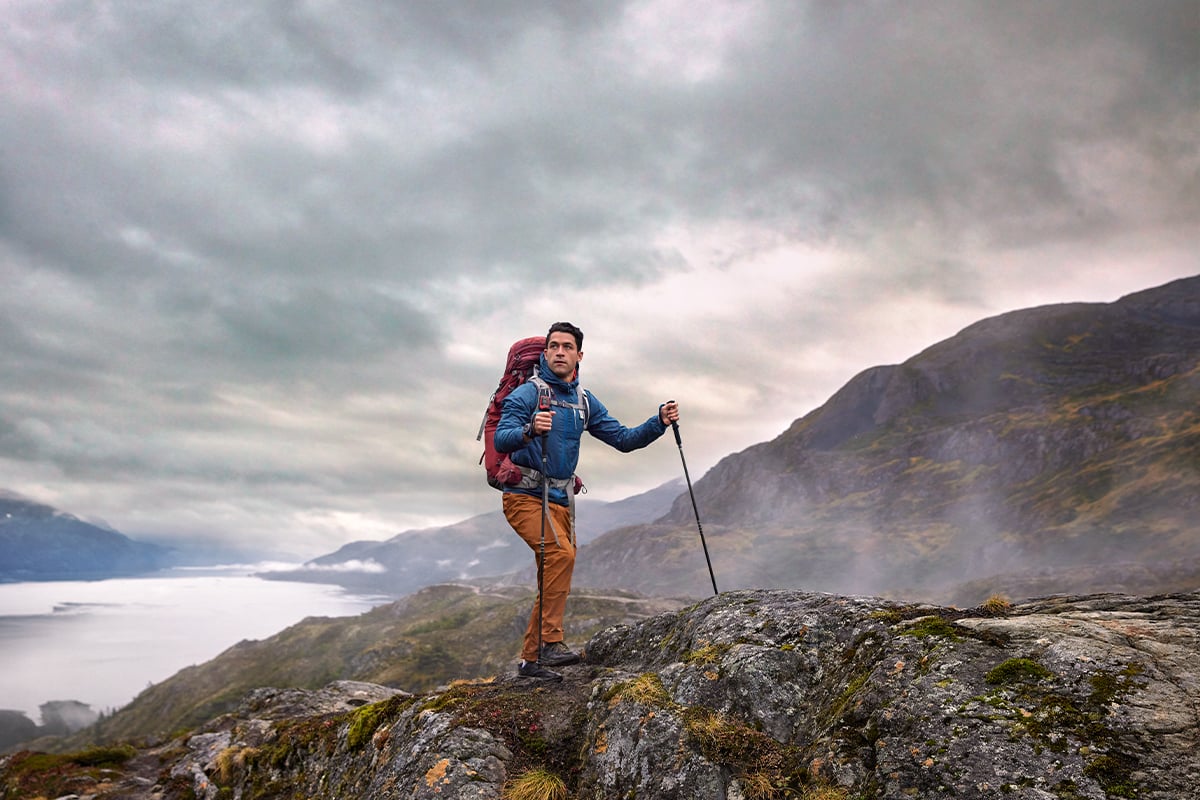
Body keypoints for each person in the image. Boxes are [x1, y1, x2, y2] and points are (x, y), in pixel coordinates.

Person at [494, 321, 680, 681]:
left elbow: (624, 439)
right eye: (554, 346)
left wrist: (658, 421)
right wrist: (530, 429)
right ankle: (548, 644)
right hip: (524, 496)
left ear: (579, 355)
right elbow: (503, 438)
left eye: (567, 347)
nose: (560, 352)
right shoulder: (528, 395)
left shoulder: (583, 401)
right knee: (559, 556)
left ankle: (531, 661)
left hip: (562, 501)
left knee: (557, 567)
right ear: (545, 353)